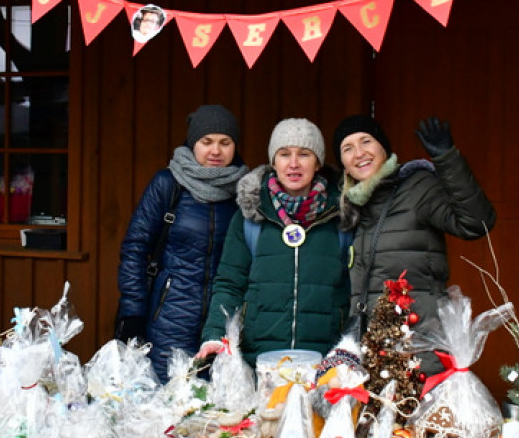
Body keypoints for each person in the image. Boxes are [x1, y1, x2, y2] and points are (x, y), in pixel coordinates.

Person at [333, 114, 495, 380]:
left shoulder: (417, 188)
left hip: (420, 345)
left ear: (383, 149)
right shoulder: (352, 206)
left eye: (366, 141)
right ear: (343, 165)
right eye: (347, 148)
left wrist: (447, 159)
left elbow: (477, 222)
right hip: (374, 350)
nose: (359, 153)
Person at [200, 118, 350, 367]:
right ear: (273, 161)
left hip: (326, 366)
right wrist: (215, 334)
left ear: (318, 162)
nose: (293, 164)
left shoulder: (343, 216)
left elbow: (354, 289)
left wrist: (349, 349)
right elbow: (229, 283)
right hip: (260, 363)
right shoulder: (251, 217)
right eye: (284, 154)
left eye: (304, 154)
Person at [116, 104, 249, 381]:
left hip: (223, 323)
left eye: (225, 143)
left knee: (217, 413)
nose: (216, 151)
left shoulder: (245, 191)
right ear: (192, 144)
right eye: (207, 142)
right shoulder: (168, 184)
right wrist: (133, 313)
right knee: (167, 403)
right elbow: (135, 249)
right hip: (168, 320)